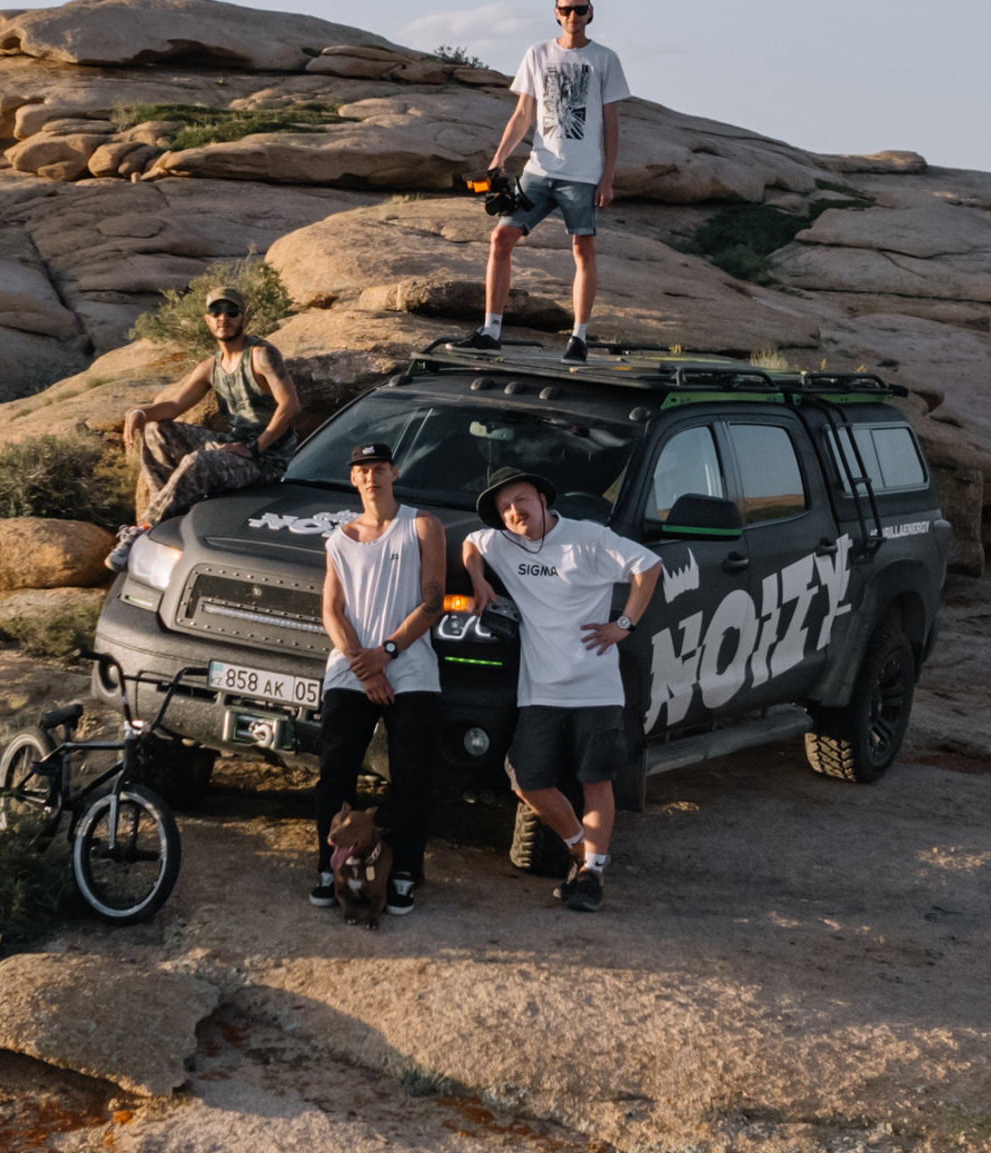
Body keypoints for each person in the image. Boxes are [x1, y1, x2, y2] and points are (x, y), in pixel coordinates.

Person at [461, 467, 661, 913]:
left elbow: (648, 565)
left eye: (521, 500)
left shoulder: (587, 538)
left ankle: (592, 876)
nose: (515, 512)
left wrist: (623, 624)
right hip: (540, 691)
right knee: (527, 779)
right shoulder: (503, 542)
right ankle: (579, 851)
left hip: (595, 688)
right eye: (504, 508)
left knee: (595, 781)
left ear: (542, 498)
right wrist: (478, 578)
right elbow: (471, 542)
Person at [311, 441, 446, 915]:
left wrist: (386, 653)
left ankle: (404, 869)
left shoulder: (422, 526)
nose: (371, 477)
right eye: (362, 470)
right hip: (352, 671)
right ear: (353, 478)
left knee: (410, 776)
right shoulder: (340, 538)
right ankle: (332, 868)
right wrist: (362, 666)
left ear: (394, 471)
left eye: (379, 468)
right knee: (335, 773)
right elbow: (331, 610)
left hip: (410, 666)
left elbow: (433, 601)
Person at [477, 0, 628, 365]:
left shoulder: (604, 59)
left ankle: (578, 338)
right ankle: (491, 330)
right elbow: (522, 113)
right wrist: (498, 159)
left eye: (580, 9)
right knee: (501, 238)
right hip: (539, 170)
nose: (573, 16)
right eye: (566, 9)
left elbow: (611, 124)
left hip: (582, 174)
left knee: (582, 248)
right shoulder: (538, 54)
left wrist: (608, 176)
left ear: (591, 13)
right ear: (556, 13)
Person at [111, 284, 303, 564]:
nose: (222, 317)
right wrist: (140, 412)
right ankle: (168, 522)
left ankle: (144, 530)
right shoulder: (210, 366)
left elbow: (291, 405)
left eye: (231, 311)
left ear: (242, 317)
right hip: (235, 445)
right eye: (215, 312)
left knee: (199, 461)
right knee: (157, 430)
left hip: (267, 461)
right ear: (207, 319)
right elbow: (175, 405)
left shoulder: (262, 355)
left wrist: (256, 448)